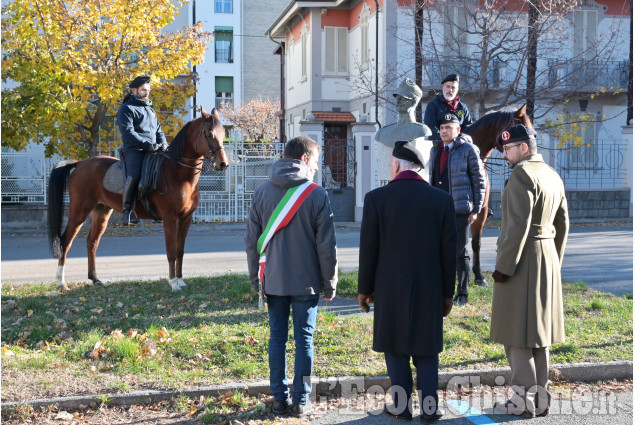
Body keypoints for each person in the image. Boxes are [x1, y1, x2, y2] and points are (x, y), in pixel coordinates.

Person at [358, 140, 456, 422]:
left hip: (390, 287)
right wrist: (447, 294)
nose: (390, 167)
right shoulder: (442, 199)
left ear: (398, 165)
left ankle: (401, 406)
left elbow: (369, 250)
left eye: (391, 163)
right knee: (426, 347)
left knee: (395, 345)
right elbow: (449, 254)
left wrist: (365, 290)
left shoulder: (377, 198)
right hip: (430, 287)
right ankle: (429, 406)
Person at [244, 136, 338, 418]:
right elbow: (327, 246)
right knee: (304, 341)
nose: (318, 169)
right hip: (307, 282)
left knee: (276, 339)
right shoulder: (317, 194)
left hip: (272, 281)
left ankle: (279, 398)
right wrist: (330, 283)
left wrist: (255, 281)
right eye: (317, 161)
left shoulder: (261, 191)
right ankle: (301, 400)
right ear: (305, 160)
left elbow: (251, 241)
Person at [490, 125, 569, 418]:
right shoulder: (551, 174)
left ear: (524, 148)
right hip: (546, 258)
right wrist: (554, 262)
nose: (505, 154)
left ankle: (522, 401)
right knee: (539, 335)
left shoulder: (522, 174)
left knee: (517, 334)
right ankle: (541, 399)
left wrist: (503, 268)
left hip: (523, 261)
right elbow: (563, 224)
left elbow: (517, 227)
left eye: (508, 149)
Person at [429, 113, 486, 305]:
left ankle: (462, 294)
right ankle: (443, 291)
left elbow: (479, 181)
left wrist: (476, 208)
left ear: (458, 129)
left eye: (448, 127)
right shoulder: (436, 149)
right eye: (442, 128)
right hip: (439, 211)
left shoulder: (468, 149)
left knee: (460, 253)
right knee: (438, 252)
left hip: (460, 209)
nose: (444, 131)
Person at [117, 75, 169, 225]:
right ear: (134, 90)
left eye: (148, 90)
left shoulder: (150, 110)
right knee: (133, 176)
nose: (147, 93)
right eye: (144, 90)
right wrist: (147, 144)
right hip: (135, 150)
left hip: (153, 149)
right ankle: (126, 212)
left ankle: (156, 209)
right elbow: (128, 132)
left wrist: (164, 144)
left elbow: (159, 131)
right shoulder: (126, 109)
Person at [424, 74, 473, 141]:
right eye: (448, 86)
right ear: (443, 88)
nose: (450, 90)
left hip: (459, 145)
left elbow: (468, 127)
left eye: (453, 87)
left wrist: (460, 140)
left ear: (457, 90)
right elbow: (430, 127)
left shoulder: (462, 107)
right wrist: (447, 140)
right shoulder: (433, 105)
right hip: (438, 145)